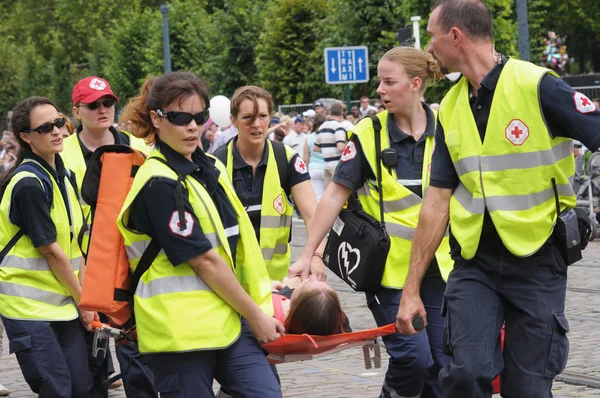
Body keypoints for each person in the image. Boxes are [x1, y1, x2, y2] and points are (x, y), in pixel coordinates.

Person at [395, 1, 600, 397]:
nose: (429, 51)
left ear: (455, 36)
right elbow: (436, 203)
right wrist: (411, 290)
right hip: (475, 263)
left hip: (539, 259)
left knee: (527, 388)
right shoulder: (452, 107)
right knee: (465, 374)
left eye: (433, 38)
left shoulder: (537, 85)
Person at [290, 46, 454, 398]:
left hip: (440, 268)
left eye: (387, 81)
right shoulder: (368, 133)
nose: (379, 89)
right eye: (379, 80)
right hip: (388, 272)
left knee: (444, 363)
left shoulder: (446, 128)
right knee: (414, 356)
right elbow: (334, 195)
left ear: (414, 84)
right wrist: (309, 252)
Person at [116, 72, 283, 398]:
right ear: (157, 118)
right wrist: (255, 314)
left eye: (199, 116)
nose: (192, 126)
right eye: (180, 117)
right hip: (180, 332)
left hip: (228, 318)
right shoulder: (158, 182)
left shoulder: (209, 166)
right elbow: (205, 262)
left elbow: (234, 244)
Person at [62, 76, 156, 398]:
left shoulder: (138, 147)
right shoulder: (62, 157)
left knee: (135, 349)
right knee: (92, 361)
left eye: (108, 103)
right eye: (93, 105)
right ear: (77, 112)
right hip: (83, 268)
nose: (103, 110)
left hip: (129, 264)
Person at [0, 96, 94, 397]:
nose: (57, 131)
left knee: (82, 387)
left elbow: (75, 246)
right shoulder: (28, 183)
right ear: (26, 137)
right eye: (45, 127)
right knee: (58, 389)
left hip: (62, 303)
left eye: (59, 122)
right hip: (28, 308)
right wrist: (85, 303)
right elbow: (52, 252)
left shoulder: (63, 177)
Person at [214, 86, 328, 282]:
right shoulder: (217, 164)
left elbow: (313, 217)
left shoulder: (286, 159)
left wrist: (316, 257)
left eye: (263, 116)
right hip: (233, 284)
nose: (257, 124)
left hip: (277, 282)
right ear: (233, 120)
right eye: (248, 117)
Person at [271, 276, 350, 335]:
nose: (313, 277)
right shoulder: (337, 323)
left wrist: (274, 289)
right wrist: (288, 290)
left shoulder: (273, 320)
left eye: (309, 282)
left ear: (288, 312)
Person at [315, 103, 347, 189]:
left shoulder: (321, 127)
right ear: (341, 113)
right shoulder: (339, 126)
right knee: (338, 193)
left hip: (326, 165)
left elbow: (315, 147)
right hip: (337, 165)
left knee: (328, 193)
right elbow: (340, 147)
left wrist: (327, 149)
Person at [304, 113, 326, 201]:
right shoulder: (328, 136)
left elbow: (305, 159)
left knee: (316, 197)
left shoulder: (308, 138)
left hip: (313, 169)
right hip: (326, 167)